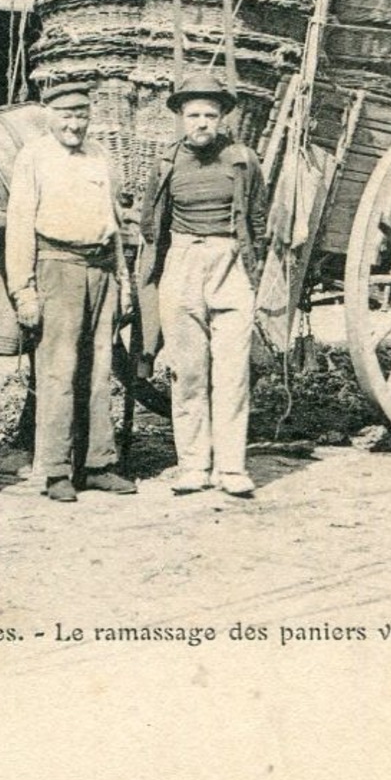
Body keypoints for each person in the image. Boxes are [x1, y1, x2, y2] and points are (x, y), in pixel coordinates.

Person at [138, 71, 268, 498]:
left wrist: (253, 268)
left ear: (222, 118)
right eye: (193, 115)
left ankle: (232, 468)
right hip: (182, 263)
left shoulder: (242, 160)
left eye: (210, 115)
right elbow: (150, 225)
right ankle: (193, 465)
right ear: (180, 117)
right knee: (188, 372)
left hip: (230, 263)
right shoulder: (166, 163)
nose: (201, 123)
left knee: (231, 373)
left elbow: (260, 219)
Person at [5, 82, 136, 503]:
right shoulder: (34, 157)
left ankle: (98, 464)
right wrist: (23, 291)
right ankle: (56, 471)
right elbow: (19, 226)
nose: (74, 124)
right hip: (57, 268)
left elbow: (112, 222)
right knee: (59, 372)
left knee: (99, 371)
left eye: (82, 115)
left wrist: (125, 282)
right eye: (66, 115)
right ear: (50, 116)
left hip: (101, 272)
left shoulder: (99, 155)